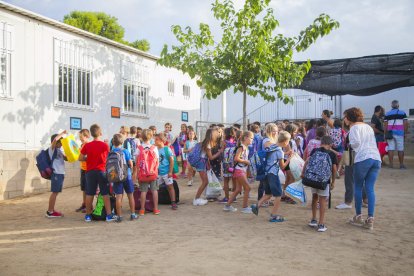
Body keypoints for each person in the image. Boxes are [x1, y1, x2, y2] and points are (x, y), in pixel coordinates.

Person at [344, 107, 381, 230]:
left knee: (358, 187)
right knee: (370, 188)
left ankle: (358, 216)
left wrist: (349, 144)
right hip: (376, 158)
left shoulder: (354, 128)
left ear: (349, 118)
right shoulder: (368, 127)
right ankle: (370, 218)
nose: (344, 119)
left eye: (345, 117)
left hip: (363, 158)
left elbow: (356, 143)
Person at [251, 130, 292, 222]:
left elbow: (273, 156)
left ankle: (256, 205)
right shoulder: (280, 151)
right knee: (278, 195)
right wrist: (289, 159)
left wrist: (285, 154)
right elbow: (283, 166)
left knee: (269, 194)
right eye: (288, 141)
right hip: (273, 174)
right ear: (285, 141)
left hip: (265, 173)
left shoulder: (272, 146)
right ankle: (274, 215)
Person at [79, 124, 116, 222]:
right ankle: (109, 215)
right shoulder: (105, 145)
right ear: (100, 133)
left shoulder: (87, 145)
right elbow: (109, 158)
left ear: (91, 134)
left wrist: (88, 158)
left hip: (90, 172)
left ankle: (87, 215)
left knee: (89, 193)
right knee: (105, 193)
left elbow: (80, 158)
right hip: (102, 171)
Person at [302, 136, 337, 232]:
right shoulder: (331, 154)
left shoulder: (315, 151)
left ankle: (313, 219)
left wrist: (303, 173)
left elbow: (307, 161)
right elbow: (334, 169)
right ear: (330, 145)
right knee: (322, 201)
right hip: (323, 181)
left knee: (314, 197)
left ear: (321, 143)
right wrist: (333, 181)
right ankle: (321, 224)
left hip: (312, 179)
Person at [223, 131, 254, 214]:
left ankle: (227, 206)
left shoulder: (245, 148)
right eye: (251, 138)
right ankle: (245, 207)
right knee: (248, 188)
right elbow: (236, 158)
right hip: (239, 170)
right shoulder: (242, 147)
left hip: (240, 170)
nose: (252, 140)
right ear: (245, 138)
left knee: (238, 189)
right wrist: (246, 161)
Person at [193, 128, 225, 206]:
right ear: (211, 135)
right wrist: (220, 151)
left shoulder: (206, 142)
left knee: (205, 181)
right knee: (205, 182)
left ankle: (197, 198)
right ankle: (196, 199)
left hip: (202, 164)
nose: (217, 135)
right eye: (215, 133)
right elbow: (211, 157)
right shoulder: (208, 144)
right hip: (201, 164)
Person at [110, 134, 138, 222]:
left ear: (113, 142)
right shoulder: (125, 151)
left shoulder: (111, 152)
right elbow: (130, 163)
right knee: (130, 195)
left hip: (116, 177)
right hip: (127, 176)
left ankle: (119, 216)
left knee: (118, 196)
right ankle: (133, 214)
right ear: (122, 142)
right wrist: (133, 172)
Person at [135, 129, 161, 215]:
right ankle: (156, 209)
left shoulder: (139, 148)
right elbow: (157, 161)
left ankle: (142, 209)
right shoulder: (154, 148)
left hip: (143, 174)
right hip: (153, 173)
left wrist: (137, 173)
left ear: (141, 137)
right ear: (151, 137)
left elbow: (136, 162)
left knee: (143, 191)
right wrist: (155, 171)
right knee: (154, 190)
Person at [45, 130, 67, 218]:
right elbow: (54, 140)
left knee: (56, 192)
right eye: (60, 142)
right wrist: (62, 133)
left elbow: (65, 159)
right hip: (56, 173)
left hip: (60, 173)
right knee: (54, 192)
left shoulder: (59, 150)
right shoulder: (52, 149)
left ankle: (51, 210)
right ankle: (50, 212)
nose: (62, 144)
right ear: (56, 142)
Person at [154, 133, 178, 210]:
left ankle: (173, 202)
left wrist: (170, 172)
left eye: (156, 139)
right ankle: (154, 202)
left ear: (161, 141)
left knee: (170, 187)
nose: (155, 141)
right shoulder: (155, 149)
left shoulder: (167, 149)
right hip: (158, 173)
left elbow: (172, 161)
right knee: (155, 187)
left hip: (166, 172)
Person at [384, 100, 408, 169]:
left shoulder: (387, 114)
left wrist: (385, 134)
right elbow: (405, 123)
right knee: (400, 149)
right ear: (398, 105)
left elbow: (385, 125)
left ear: (391, 106)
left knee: (391, 148)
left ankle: (391, 165)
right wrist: (405, 133)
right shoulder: (403, 113)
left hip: (390, 133)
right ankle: (401, 165)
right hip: (400, 133)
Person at [220, 127, 237, 203]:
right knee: (234, 180)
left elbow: (222, 152)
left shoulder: (224, 142)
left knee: (226, 181)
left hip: (226, 163)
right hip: (234, 163)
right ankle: (234, 197)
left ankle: (227, 198)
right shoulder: (235, 142)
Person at [75, 129, 90, 213]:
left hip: (88, 169)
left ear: (86, 136)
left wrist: (82, 158)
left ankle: (88, 206)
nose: (80, 138)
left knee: (88, 189)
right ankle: (84, 204)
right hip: (83, 168)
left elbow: (89, 157)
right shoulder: (82, 145)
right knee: (84, 188)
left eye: (81, 137)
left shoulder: (88, 145)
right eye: (79, 137)